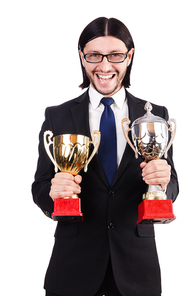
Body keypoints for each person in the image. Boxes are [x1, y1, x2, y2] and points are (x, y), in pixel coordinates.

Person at [32, 17, 179, 296]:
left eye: (115, 55)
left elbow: (172, 187)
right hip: (72, 269)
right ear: (81, 57)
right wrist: (53, 194)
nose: (105, 65)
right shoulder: (58, 115)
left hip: (137, 272)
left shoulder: (155, 115)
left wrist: (163, 183)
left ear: (129, 56)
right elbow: (39, 186)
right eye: (94, 55)